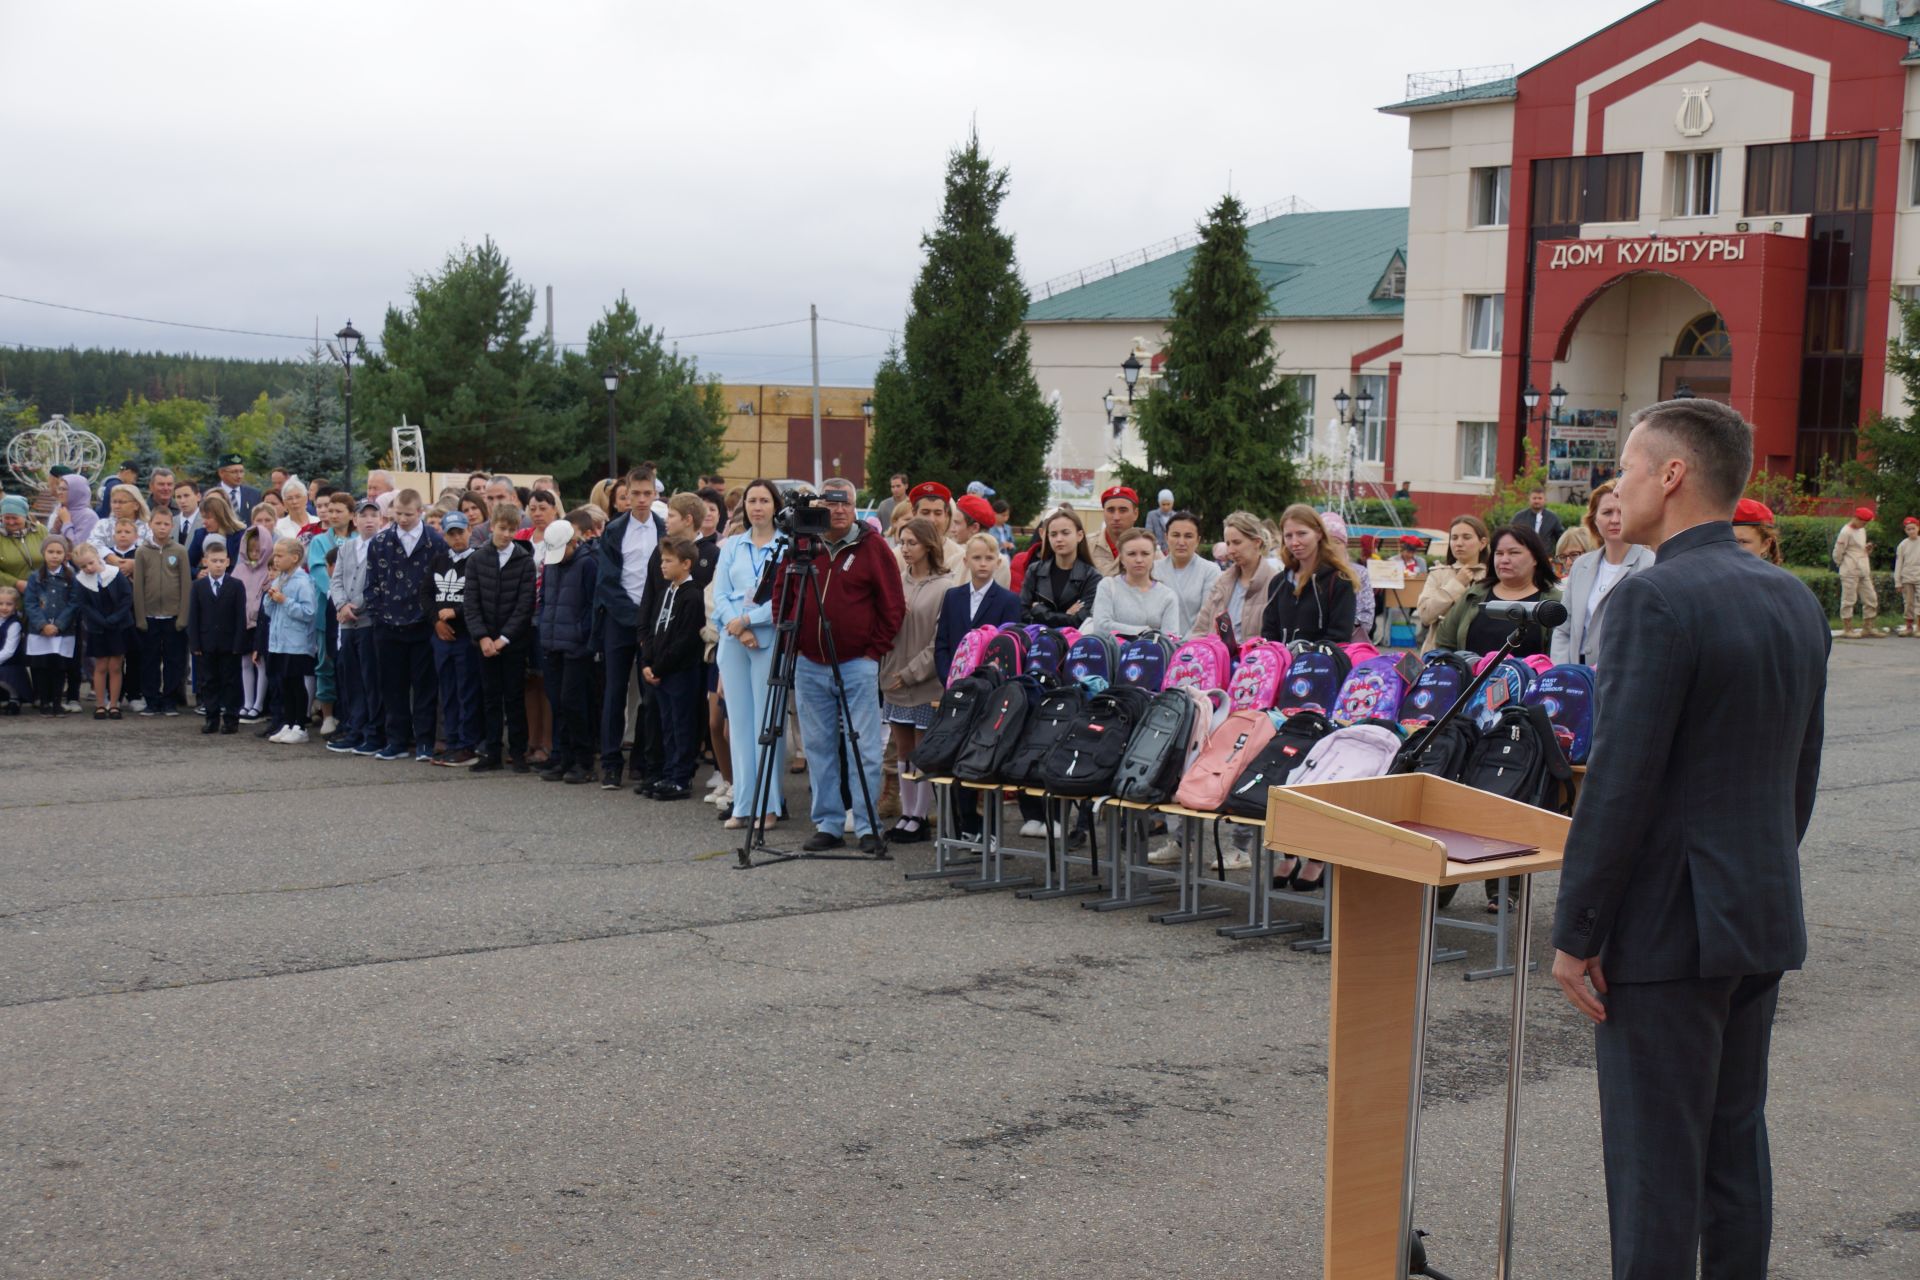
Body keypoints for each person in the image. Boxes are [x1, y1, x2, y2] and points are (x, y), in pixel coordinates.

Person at [1549, 398, 1829, 1280]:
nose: (1616, 486)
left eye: (1627, 467)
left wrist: (1577, 931)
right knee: (1732, 1147)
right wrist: (1760, 875)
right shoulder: (1792, 598)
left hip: (1668, 930)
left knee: (1654, 1172)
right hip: (1757, 911)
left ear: (1672, 476)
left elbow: (1621, 782)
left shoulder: (1653, 598)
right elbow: (1799, 776)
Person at [789, 477, 905, 853]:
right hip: (810, 663)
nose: (838, 510)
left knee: (865, 747)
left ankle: (868, 825)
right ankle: (829, 823)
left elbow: (892, 607)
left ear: (855, 508)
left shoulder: (873, 548)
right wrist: (793, 642)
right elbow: (783, 593)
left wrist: (875, 651)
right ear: (820, 507)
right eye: (831, 504)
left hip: (857, 664)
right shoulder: (804, 544)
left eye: (845, 504)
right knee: (820, 746)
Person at [713, 479, 785, 830]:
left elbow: (786, 598)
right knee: (738, 727)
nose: (757, 507)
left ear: (775, 506)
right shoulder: (732, 546)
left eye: (764, 500)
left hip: (768, 639)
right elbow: (720, 592)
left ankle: (768, 806)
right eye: (751, 501)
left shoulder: (785, 546)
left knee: (765, 725)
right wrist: (737, 627)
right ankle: (743, 804)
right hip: (734, 642)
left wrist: (750, 621)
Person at [879, 517, 953, 844]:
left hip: (924, 682)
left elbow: (939, 640)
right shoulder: (895, 582)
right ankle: (907, 814)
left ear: (929, 545)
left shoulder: (945, 586)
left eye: (912, 542)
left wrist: (909, 674)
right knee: (903, 749)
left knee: (923, 750)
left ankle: (920, 816)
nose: (905, 549)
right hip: (893, 680)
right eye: (902, 542)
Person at [594, 466, 665, 791]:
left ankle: (643, 761)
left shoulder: (664, 530)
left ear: (655, 494)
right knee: (614, 693)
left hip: (651, 625)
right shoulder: (614, 530)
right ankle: (610, 763)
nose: (639, 499)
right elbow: (607, 582)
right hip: (620, 623)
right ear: (626, 494)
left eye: (646, 493)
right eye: (634, 494)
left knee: (650, 695)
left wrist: (648, 621)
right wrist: (635, 618)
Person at [364, 490, 447, 761]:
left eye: (408, 514)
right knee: (392, 686)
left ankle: (424, 741)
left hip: (423, 625)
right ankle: (397, 740)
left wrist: (433, 618)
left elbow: (441, 584)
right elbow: (372, 582)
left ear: (420, 512)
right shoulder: (380, 542)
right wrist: (378, 614)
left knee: (424, 687)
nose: (401, 519)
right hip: (388, 625)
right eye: (397, 513)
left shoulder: (435, 543)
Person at [462, 503, 537, 773]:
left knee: (514, 697)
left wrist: (504, 638)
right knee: (490, 696)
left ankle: (518, 752)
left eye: (512, 529)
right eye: (502, 528)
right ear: (491, 526)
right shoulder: (477, 559)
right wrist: (482, 637)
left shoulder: (524, 561)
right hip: (485, 642)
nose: (506, 534)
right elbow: (470, 602)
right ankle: (492, 750)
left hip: (513, 642)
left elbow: (525, 604)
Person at [1552, 482, 1654, 667]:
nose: (1615, 520)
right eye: (1607, 512)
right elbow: (1563, 626)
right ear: (1594, 519)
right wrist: (1562, 671)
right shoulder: (1581, 565)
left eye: (1621, 511)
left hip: (1621, 678)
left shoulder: (1651, 565)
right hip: (1576, 677)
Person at [639, 536, 705, 800]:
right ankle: (667, 773)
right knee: (666, 724)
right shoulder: (667, 592)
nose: (662, 566)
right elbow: (656, 629)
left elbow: (685, 640)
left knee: (681, 724)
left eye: (668, 561)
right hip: (661, 671)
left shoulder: (693, 596)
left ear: (686, 564)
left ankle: (681, 778)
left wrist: (660, 667)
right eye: (662, 560)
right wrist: (647, 661)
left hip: (679, 672)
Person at [1433, 525, 1562, 658]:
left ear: (1536, 558)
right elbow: (1445, 642)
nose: (1504, 560)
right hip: (1474, 679)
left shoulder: (1553, 602)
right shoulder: (1476, 594)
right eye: (1499, 553)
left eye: (1514, 553)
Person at [536, 519, 598, 784]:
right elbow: (545, 601)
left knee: (574, 703)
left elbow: (592, 605)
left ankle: (583, 761)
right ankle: (563, 757)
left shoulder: (588, 563)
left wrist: (583, 635)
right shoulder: (551, 565)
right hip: (552, 643)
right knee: (558, 703)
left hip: (576, 645)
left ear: (574, 542)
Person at [1261, 504, 1361, 646]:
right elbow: (1269, 633)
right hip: (1282, 665)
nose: (1294, 542)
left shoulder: (1340, 581)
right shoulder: (1278, 583)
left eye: (1302, 534)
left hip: (1320, 665)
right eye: (1288, 536)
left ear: (1318, 534)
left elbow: (1339, 637)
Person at [425, 511, 480, 765]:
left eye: (461, 532)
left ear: (469, 531)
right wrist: (436, 620)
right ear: (444, 536)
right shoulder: (438, 560)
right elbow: (425, 595)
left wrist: (456, 612)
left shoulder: (477, 561)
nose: (457, 538)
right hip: (442, 637)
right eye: (451, 533)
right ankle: (452, 740)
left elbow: (479, 597)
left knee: (466, 690)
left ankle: (468, 744)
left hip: (465, 637)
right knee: (447, 690)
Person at [132, 508, 192, 715]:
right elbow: (138, 586)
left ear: (172, 526)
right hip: (149, 617)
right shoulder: (142, 552)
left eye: (166, 524)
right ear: (150, 524)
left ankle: (169, 700)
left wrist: (183, 616)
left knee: (174, 660)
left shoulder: (180, 551)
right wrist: (140, 617)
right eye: (158, 523)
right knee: (149, 661)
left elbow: (186, 585)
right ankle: (151, 699)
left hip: (173, 616)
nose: (162, 528)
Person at [261, 537, 319, 744]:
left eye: (279, 555)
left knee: (296, 683)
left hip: (296, 642)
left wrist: (285, 601)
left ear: (294, 558)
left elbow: (309, 612)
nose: (275, 560)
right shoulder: (280, 579)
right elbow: (269, 611)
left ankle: (300, 726)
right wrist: (269, 598)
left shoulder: (302, 581)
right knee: (284, 683)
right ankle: (289, 721)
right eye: (274, 555)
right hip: (279, 641)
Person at [187, 536, 247, 734]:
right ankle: (211, 719)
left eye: (222, 561)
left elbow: (240, 617)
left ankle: (231, 720)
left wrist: (239, 643)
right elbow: (193, 617)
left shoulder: (236, 585)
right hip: (206, 643)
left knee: (231, 682)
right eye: (214, 561)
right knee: (209, 682)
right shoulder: (197, 587)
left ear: (228, 562)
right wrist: (195, 644)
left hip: (229, 643)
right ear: (205, 561)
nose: (218, 565)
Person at [1190, 511, 1276, 644]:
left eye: (1237, 542)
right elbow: (1200, 629)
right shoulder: (1222, 581)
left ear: (1257, 542)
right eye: (1228, 543)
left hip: (1255, 662)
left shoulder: (1275, 583)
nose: (1230, 550)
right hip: (1217, 661)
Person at [71, 542, 134, 719]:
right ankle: (100, 704)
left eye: (90, 563)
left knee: (115, 666)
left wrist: (114, 618)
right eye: (83, 566)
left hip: (119, 626)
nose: (88, 568)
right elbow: (85, 605)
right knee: (100, 666)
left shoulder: (114, 573)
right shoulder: (81, 581)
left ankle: (114, 704)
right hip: (98, 628)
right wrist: (101, 621)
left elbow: (126, 597)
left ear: (97, 557)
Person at [1083, 527, 1180, 639]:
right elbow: (1101, 627)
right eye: (1132, 554)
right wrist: (1144, 632)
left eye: (1145, 553)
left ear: (1153, 556)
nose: (1139, 559)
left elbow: (1170, 638)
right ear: (1122, 558)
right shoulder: (1108, 586)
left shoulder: (1168, 596)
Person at [1414, 515, 1490, 653]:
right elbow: (1425, 616)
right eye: (1454, 538)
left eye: (1466, 537)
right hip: (1439, 654)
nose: (1459, 543)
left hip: (1480, 654)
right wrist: (1456, 585)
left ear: (1483, 543)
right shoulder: (1439, 574)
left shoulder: (1492, 577)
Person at [231, 504, 277, 723]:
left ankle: (259, 704)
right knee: (245, 663)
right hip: (241, 624)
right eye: (251, 551)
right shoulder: (239, 570)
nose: (255, 555)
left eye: (259, 551)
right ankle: (247, 702)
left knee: (261, 663)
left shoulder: (269, 571)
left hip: (261, 625)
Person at [23, 535, 78, 714]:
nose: (54, 556)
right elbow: (30, 603)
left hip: (62, 631)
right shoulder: (35, 578)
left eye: (59, 552)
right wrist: (42, 624)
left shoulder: (71, 578)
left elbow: (74, 603)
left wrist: (60, 624)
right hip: (39, 631)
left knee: (59, 666)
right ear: (43, 553)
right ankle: (44, 701)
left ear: (65, 555)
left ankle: (56, 701)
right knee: (41, 666)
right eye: (51, 552)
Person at [1019, 508, 1100, 627]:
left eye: (1065, 533)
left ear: (1080, 536)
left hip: (1072, 642)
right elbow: (1023, 613)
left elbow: (1080, 621)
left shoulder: (1092, 577)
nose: (1059, 539)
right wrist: (1066, 615)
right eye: (1053, 534)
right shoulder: (1034, 571)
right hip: (1037, 638)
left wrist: (1039, 611)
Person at [1151, 512, 1221, 635]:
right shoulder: (1153, 569)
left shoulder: (1210, 570)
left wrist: (1185, 643)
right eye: (1175, 535)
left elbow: (1208, 617)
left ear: (1198, 540)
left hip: (1195, 645)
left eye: (1188, 536)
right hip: (1159, 645)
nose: (1181, 542)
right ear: (1166, 537)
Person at [1318, 511, 1373, 643]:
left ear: (1345, 545)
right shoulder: (1310, 573)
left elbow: (1367, 616)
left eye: (1337, 542)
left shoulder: (1359, 573)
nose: (1331, 547)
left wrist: (1342, 622)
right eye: (1327, 542)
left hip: (1350, 645)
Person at [1834, 505, 1883, 638]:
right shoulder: (1846, 532)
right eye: (1863, 522)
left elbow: (1859, 548)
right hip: (1850, 569)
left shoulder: (1862, 530)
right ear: (1856, 518)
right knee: (1849, 600)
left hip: (1863, 569)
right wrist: (1841, 564)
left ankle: (1868, 627)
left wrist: (1867, 549)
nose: (1864, 525)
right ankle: (1847, 628)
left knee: (1871, 598)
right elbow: (1838, 552)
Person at [1088, 486, 1140, 576]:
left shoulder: (1148, 546)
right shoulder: (1087, 545)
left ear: (1135, 514)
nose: (1116, 517)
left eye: (1123, 510)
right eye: (1110, 510)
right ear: (1103, 513)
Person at [1, 494, 48, 592]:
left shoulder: (40, 531)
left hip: (42, 590)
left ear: (25, 515)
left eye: (15, 518)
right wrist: (16, 583)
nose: (11, 522)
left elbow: (54, 554)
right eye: (6, 518)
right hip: (9, 597)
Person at [48, 473, 97, 549]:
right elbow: (49, 546)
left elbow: (77, 547)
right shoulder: (61, 511)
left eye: (64, 489)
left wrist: (66, 522)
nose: (59, 492)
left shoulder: (89, 516)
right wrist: (54, 530)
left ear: (76, 492)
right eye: (59, 488)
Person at [0, 585, 28, 711]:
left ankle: (14, 697)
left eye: (9, 604)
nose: (4, 607)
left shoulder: (14, 624)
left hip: (10, 665)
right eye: (0, 603)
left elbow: (9, 651)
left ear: (16, 606)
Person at [211, 454, 263, 522]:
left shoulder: (254, 494)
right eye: (234, 472)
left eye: (241, 471)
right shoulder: (211, 496)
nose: (239, 476)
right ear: (221, 473)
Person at [1730, 497, 1782, 565]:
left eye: (1743, 542)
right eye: (1727, 540)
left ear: (1765, 545)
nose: (1732, 548)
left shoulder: (1774, 575)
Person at [1895, 516, 1920, 637]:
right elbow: (1899, 564)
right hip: (1907, 578)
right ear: (1905, 530)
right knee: (1908, 603)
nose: (1911, 531)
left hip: (1919, 577)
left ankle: (1918, 628)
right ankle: (1909, 627)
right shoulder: (1903, 545)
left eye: (1913, 528)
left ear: (1918, 528)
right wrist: (1898, 582)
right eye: (1908, 529)